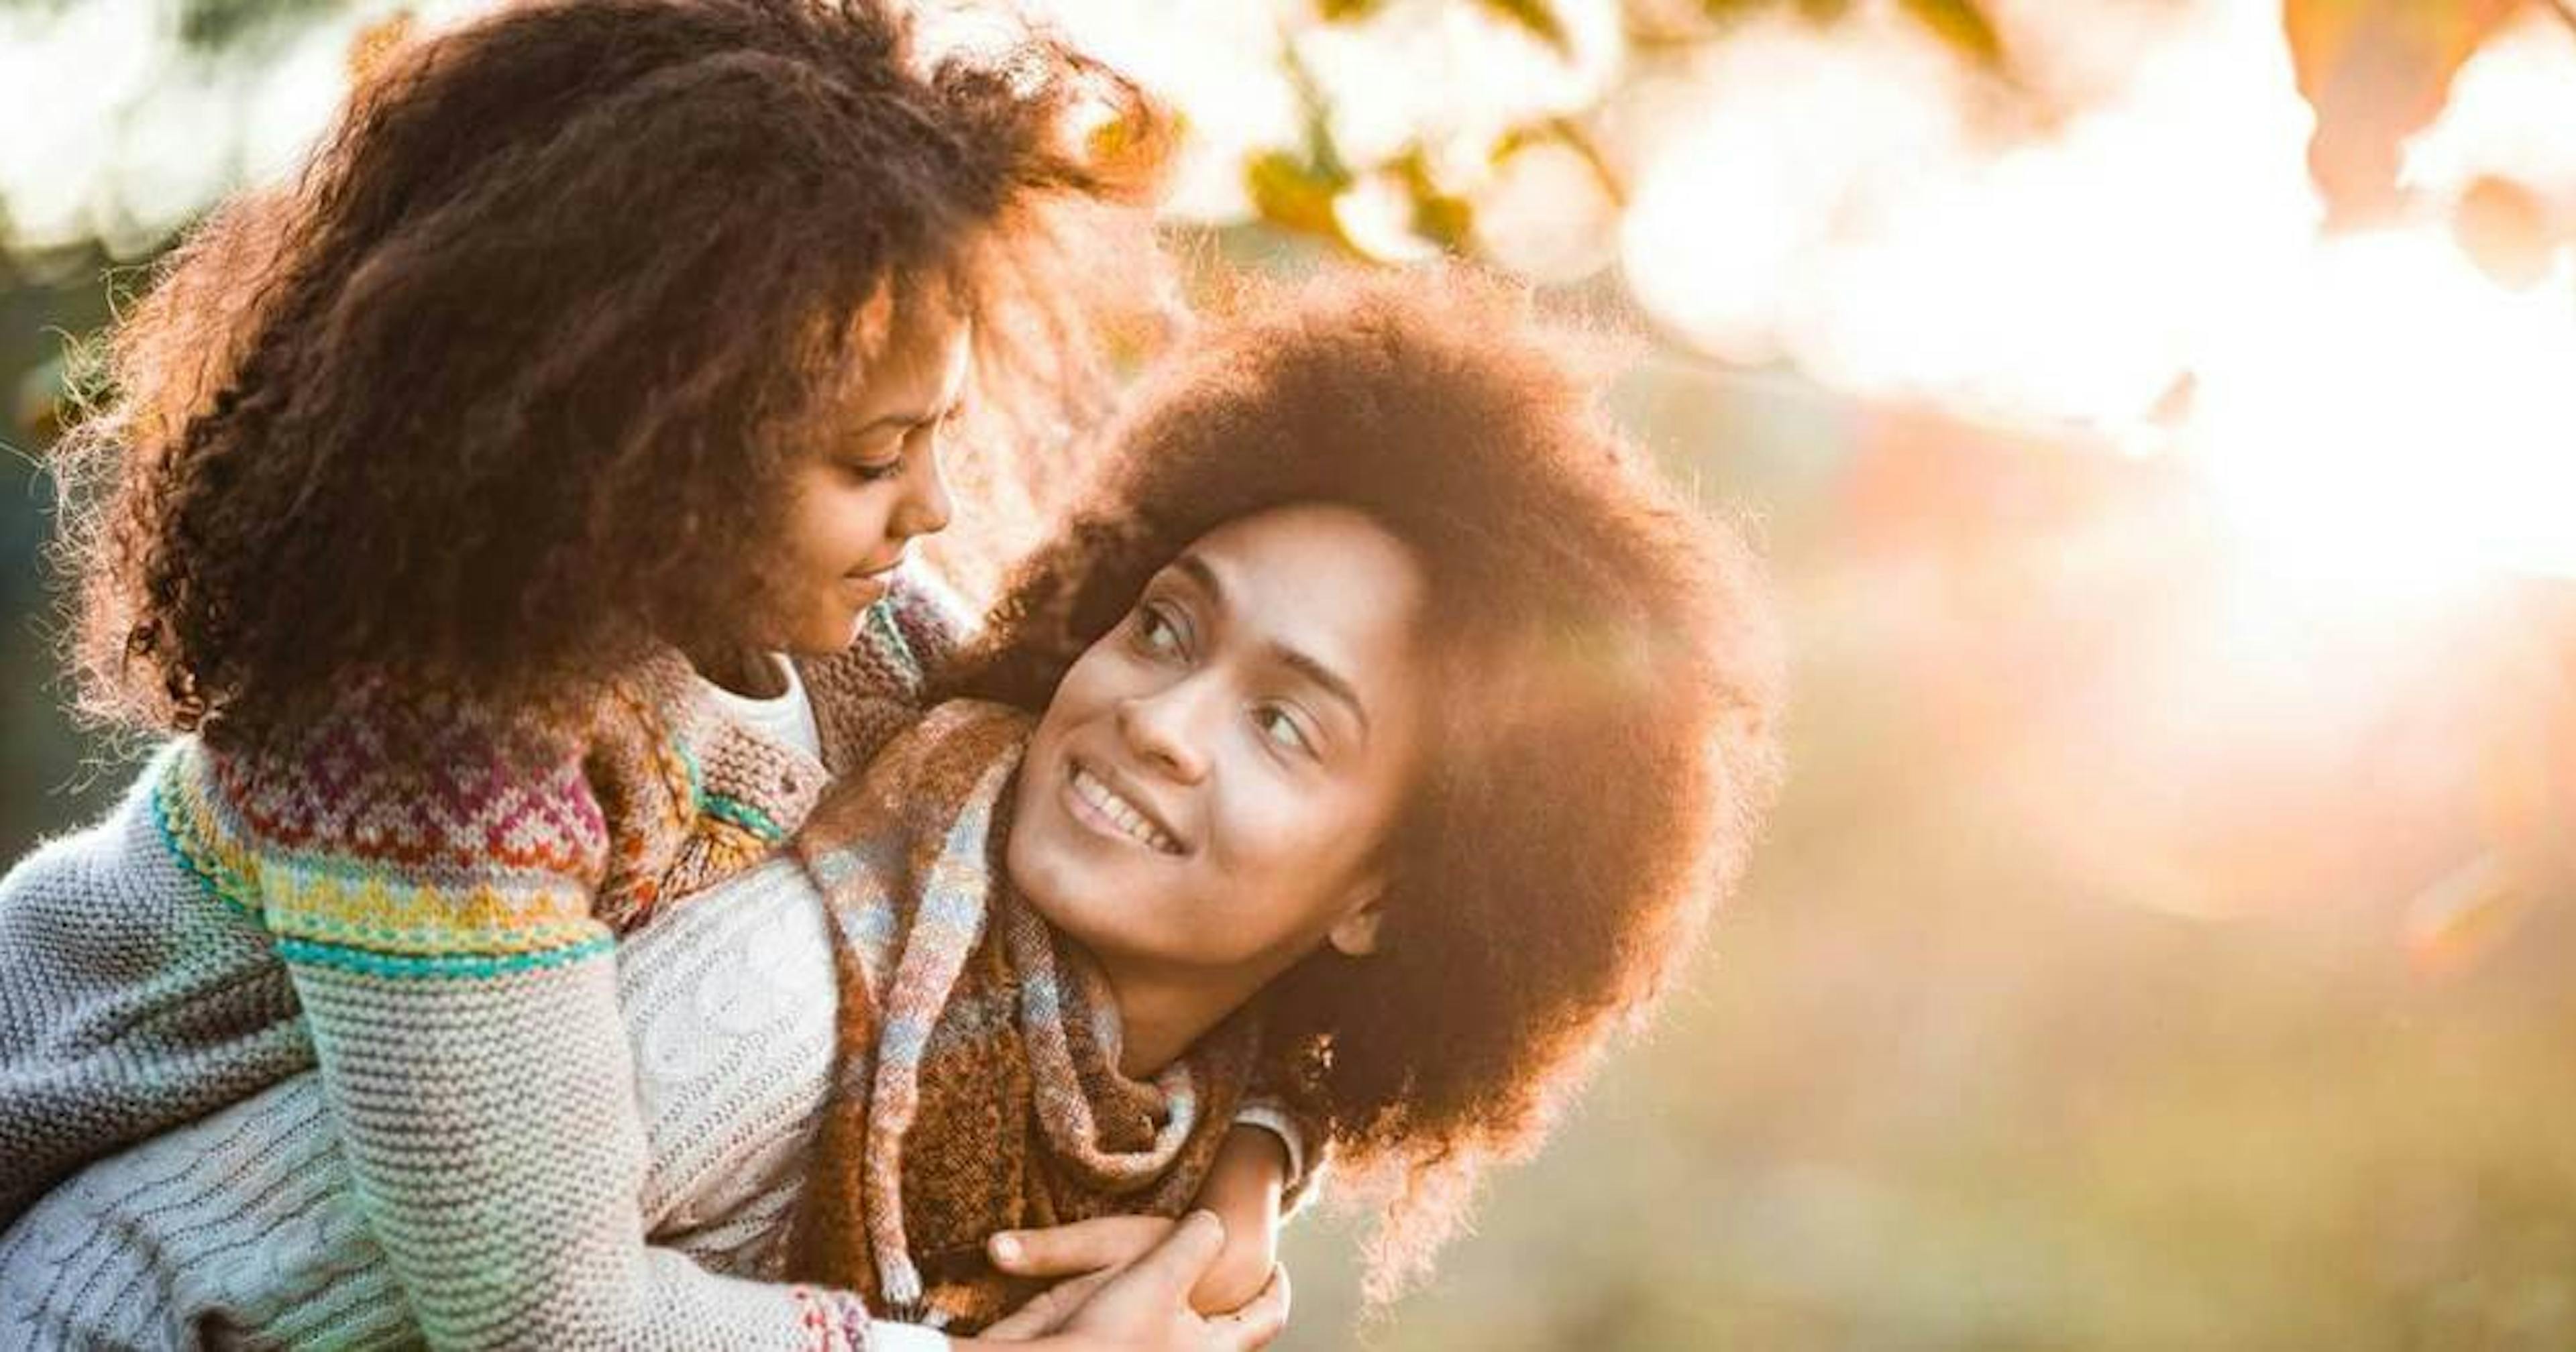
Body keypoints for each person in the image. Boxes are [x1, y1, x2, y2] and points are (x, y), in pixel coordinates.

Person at [0, 270, 1786, 1348]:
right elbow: (136, 1271)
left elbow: (1288, 1069)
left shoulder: (1131, 1093)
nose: (1158, 721)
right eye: (1164, 626)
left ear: (1390, 895)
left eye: (1287, 729)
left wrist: (1248, 1183)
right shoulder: (769, 1002)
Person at [0, 1, 1302, 1345]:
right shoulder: (423, 758)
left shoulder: (869, 635)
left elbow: (1148, 887)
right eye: (872, 455)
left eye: (942, 433)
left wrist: (1247, 1171)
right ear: (648, 447)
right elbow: (552, 1323)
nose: (931, 507)